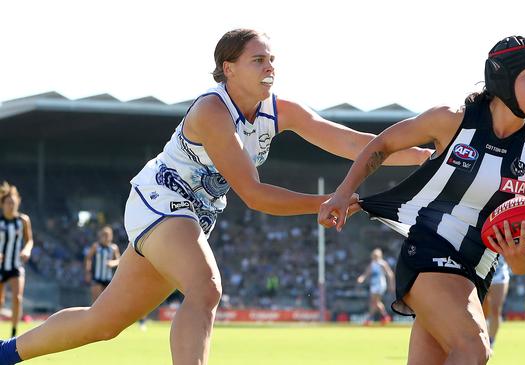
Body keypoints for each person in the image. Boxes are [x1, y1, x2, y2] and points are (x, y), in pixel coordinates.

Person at [0, 29, 430, 364]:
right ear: (228, 68)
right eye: (258, 59)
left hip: (188, 217)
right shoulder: (211, 111)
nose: (270, 68)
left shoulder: (281, 110)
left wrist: (429, 156)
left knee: (103, 322)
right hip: (160, 203)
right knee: (205, 289)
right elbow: (255, 195)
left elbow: (359, 145)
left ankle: (5, 353)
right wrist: (327, 203)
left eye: (272, 60)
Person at [319, 35, 525, 364]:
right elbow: (383, 144)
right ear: (502, 78)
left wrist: (521, 255)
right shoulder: (452, 119)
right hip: (430, 251)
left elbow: (522, 263)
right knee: (474, 348)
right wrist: (343, 190)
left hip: (477, 270)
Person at [0, 183, 33, 338]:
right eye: (8, 203)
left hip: (16, 265)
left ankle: (14, 334)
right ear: (2, 204)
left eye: (13, 202)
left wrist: (26, 250)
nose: (11, 205)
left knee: (17, 297)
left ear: (18, 202)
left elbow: (29, 240)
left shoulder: (23, 220)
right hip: (0, 266)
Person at [357, 248, 395, 325]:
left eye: (376, 255)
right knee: (375, 302)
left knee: (375, 302)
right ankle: (384, 317)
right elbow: (366, 273)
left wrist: (391, 285)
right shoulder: (372, 264)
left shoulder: (382, 264)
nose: (374, 257)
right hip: (373, 285)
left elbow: (390, 274)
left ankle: (370, 319)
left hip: (380, 284)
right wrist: (362, 278)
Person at [84, 226, 121, 303]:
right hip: (97, 277)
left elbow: (119, 260)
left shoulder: (114, 248)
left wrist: (112, 263)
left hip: (108, 278)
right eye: (104, 235)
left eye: (107, 235)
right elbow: (88, 258)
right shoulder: (96, 246)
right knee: (96, 301)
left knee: (107, 301)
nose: (106, 237)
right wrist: (88, 272)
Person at [484, 255, 510, 349]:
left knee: (495, 310)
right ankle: (482, 337)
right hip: (480, 270)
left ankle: (491, 342)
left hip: (499, 273)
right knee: (481, 310)